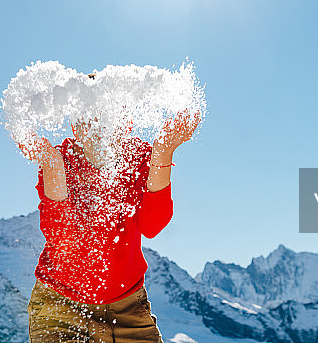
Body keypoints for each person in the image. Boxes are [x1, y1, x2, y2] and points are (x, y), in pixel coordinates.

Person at [17, 108, 201, 343]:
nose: (100, 129)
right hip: (61, 307)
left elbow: (152, 225)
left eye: (109, 117)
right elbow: (60, 235)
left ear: (128, 123)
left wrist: (164, 152)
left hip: (129, 310)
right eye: (89, 119)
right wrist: (51, 164)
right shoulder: (61, 159)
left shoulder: (139, 157)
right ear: (76, 128)